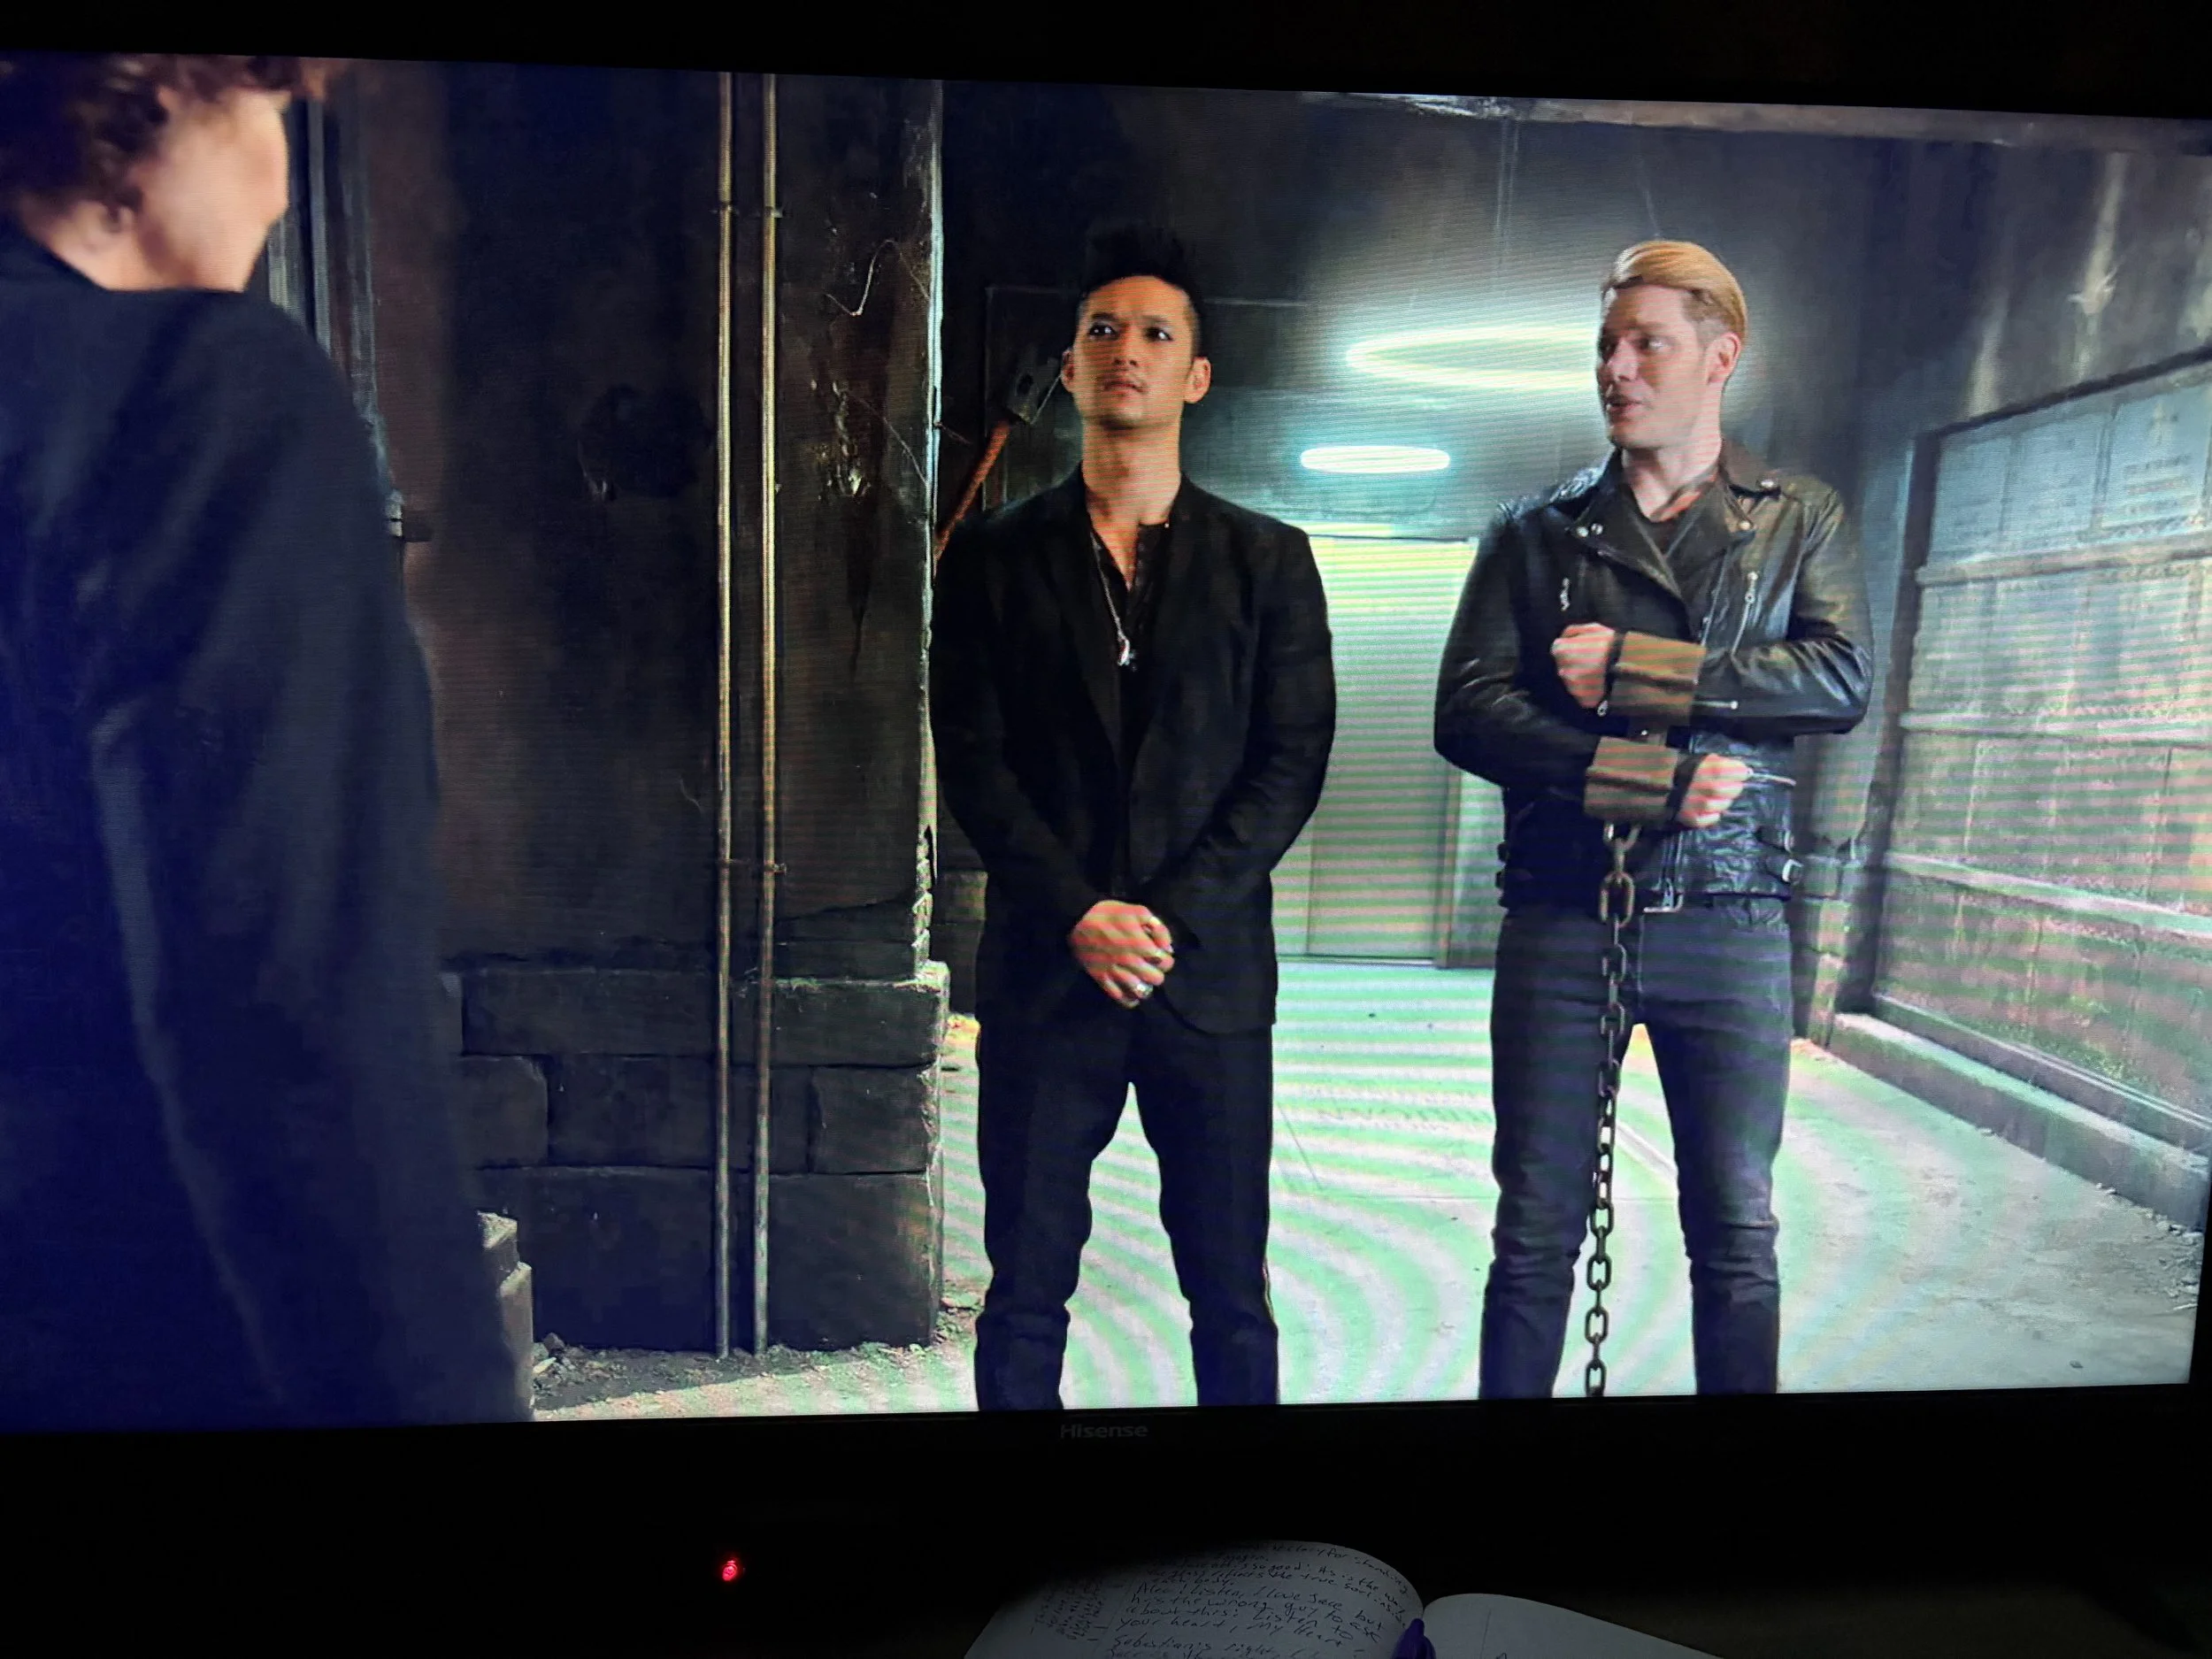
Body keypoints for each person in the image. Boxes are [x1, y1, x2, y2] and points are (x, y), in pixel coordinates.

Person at [0, 52, 527, 1429]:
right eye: (277, 109)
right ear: (152, 96)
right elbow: (297, 1022)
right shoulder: (196, 396)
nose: (285, 184)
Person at [1434, 240, 1874, 1398]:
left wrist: (1643, 667)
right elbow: (1466, 711)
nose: (1617, 369)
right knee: (1535, 1231)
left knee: (1735, 1228)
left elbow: (1838, 679)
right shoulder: (1536, 531)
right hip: (1564, 914)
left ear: (1721, 358)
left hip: (1732, 914)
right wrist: (1641, 780)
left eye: (1649, 344)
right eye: (1607, 346)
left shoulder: (1797, 517)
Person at [932, 226, 1336, 1410]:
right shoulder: (993, 559)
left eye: (1157, 334)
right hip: (1047, 975)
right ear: (1069, 368)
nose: (1128, 351)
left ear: (1194, 377)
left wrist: (1161, 918)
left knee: (1230, 1292)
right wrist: (1080, 914)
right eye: (1102, 330)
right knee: (1024, 1292)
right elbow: (974, 763)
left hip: (1206, 980)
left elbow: (1290, 762)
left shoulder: (1270, 562)